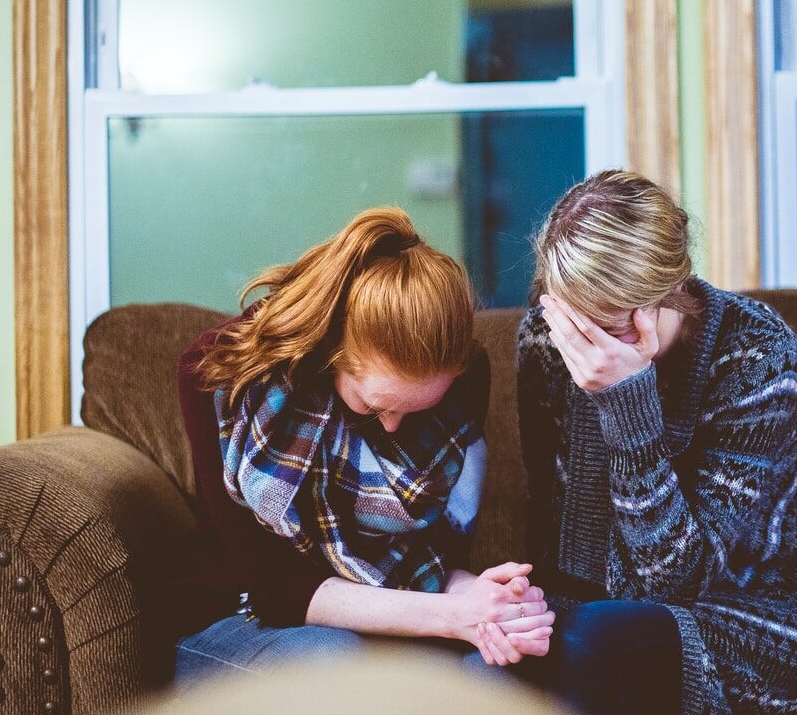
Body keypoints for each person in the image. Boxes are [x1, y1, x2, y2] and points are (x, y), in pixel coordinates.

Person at [516, 170, 797, 715]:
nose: (583, 349)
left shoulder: (756, 353)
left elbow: (677, 584)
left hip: (760, 607)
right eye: (572, 322)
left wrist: (628, 402)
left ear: (668, 292)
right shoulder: (546, 338)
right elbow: (556, 524)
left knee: (598, 641)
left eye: (607, 326)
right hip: (608, 606)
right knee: (529, 650)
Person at [174, 207, 553, 683]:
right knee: (336, 662)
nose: (393, 428)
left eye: (414, 411)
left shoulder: (462, 382)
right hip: (240, 614)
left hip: (384, 613)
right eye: (375, 407)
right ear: (331, 353)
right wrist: (456, 617)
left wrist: (493, 603)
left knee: (498, 671)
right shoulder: (220, 376)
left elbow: (431, 566)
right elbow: (275, 589)